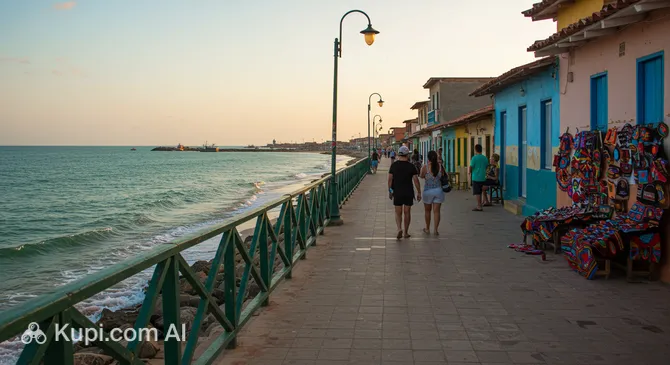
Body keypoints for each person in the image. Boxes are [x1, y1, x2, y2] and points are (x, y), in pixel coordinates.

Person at [388, 146, 421, 239]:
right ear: (407, 155)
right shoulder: (411, 166)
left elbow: (390, 179)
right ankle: (406, 232)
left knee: (398, 212)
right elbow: (416, 180)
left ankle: (399, 229)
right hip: (408, 192)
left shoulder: (394, 165)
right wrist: (419, 192)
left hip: (397, 192)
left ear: (399, 154)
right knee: (407, 212)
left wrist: (390, 191)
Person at [420, 151, 445, 235]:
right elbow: (444, 175)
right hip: (438, 191)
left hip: (428, 191)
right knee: (437, 211)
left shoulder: (425, 167)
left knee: (427, 211)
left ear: (428, 158)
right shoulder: (440, 167)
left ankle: (427, 228)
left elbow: (421, 176)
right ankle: (436, 230)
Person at [469, 144, 489, 211]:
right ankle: (484, 202)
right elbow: (486, 166)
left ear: (475, 150)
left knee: (477, 192)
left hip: (476, 177)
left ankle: (479, 205)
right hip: (483, 177)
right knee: (482, 190)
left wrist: (470, 172)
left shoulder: (474, 158)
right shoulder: (485, 158)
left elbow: (471, 166)